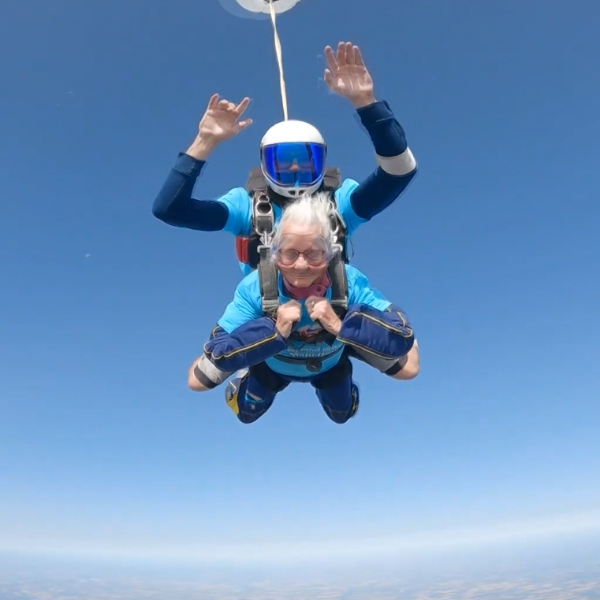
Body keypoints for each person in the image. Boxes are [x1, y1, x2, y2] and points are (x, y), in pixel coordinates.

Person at [152, 41, 418, 275]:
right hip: (265, 316)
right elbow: (170, 210)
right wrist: (205, 141)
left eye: (305, 159)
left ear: (321, 162)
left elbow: (399, 171)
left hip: (333, 314)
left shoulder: (339, 202)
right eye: (282, 160)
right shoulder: (246, 207)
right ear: (265, 164)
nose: (294, 166)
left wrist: (367, 103)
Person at [187, 193, 420, 425]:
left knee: (348, 409)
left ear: (329, 255)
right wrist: (271, 332)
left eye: (314, 254)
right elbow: (216, 349)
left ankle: (352, 349)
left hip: (330, 362)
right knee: (223, 398)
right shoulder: (256, 287)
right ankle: (244, 375)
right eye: (289, 253)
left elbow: (402, 334)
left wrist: (340, 325)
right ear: (275, 255)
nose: (301, 265)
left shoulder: (347, 281)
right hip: (270, 362)